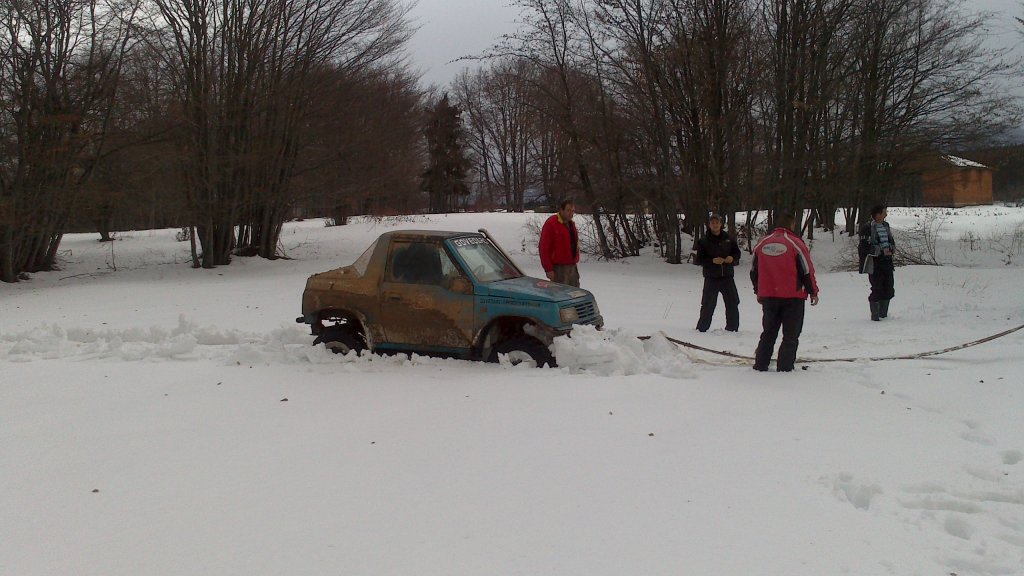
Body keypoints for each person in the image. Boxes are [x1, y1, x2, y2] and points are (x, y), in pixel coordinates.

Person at [750, 213, 820, 372]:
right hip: (792, 297)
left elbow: (754, 271)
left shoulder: (762, 244)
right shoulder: (796, 244)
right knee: (790, 335)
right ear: (792, 225)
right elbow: (807, 271)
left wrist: (758, 290)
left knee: (768, 332)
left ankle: (760, 364)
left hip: (769, 296)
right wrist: (813, 291)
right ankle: (785, 367)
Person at [694, 213, 741, 332]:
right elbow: (699, 260)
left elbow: (737, 253)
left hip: (727, 276)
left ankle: (732, 328)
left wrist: (732, 258)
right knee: (708, 305)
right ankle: (702, 329)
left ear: (721, 224)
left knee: (733, 302)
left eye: (717, 223)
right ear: (709, 225)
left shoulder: (728, 238)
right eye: (712, 223)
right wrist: (712, 261)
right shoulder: (703, 241)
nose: (715, 225)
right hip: (711, 277)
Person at [858, 205, 895, 321]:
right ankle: (875, 316)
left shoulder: (886, 226)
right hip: (875, 263)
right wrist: (878, 250)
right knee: (877, 287)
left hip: (887, 261)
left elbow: (891, 241)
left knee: (889, 287)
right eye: (884, 212)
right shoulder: (867, 228)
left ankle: (884, 314)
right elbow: (863, 246)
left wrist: (891, 249)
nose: (886, 214)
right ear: (877, 214)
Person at [539, 199, 581, 287]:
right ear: (561, 210)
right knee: (560, 294)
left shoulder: (571, 224)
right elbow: (544, 248)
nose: (571, 213)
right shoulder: (551, 223)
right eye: (568, 210)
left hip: (572, 267)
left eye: (573, 211)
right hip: (558, 268)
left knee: (574, 293)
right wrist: (548, 269)